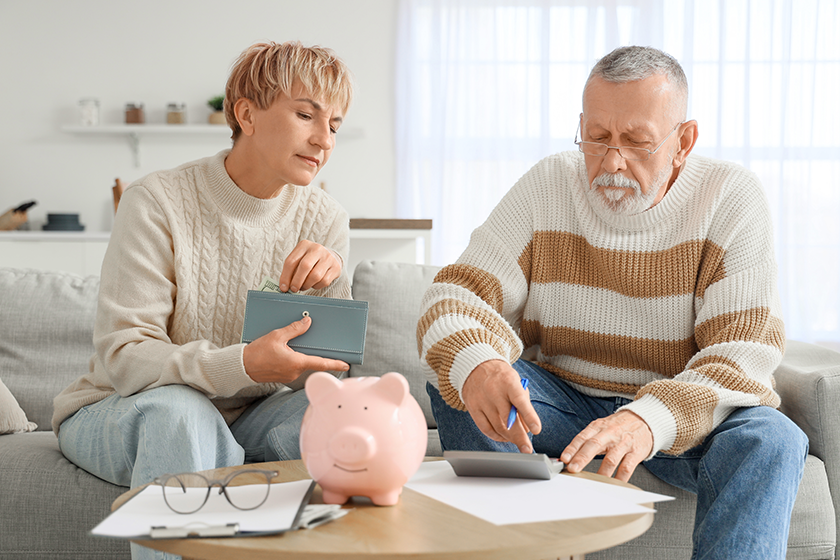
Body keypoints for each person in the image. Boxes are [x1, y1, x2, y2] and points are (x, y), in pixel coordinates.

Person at [418, 46, 807, 559]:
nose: (612, 162)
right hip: (563, 404)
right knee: (465, 386)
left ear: (683, 142)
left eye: (637, 142)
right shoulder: (548, 185)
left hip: (678, 415)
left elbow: (745, 355)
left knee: (771, 439)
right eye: (597, 138)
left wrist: (648, 419)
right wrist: (481, 364)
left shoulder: (730, 197)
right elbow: (454, 294)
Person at [53, 40, 353, 559]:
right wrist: (243, 364)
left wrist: (332, 289)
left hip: (248, 413)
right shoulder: (157, 202)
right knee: (183, 416)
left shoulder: (325, 217)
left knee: (341, 414)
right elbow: (125, 357)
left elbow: (329, 372)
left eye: (335, 125)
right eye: (306, 114)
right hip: (123, 406)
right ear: (246, 115)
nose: (323, 139)